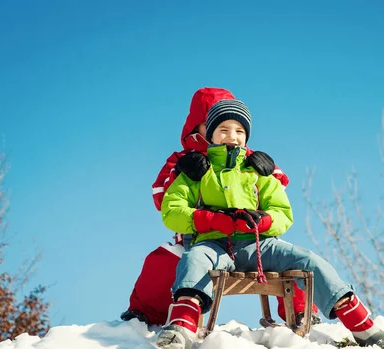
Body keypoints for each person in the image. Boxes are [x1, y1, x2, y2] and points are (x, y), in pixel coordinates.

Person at [157, 98, 384, 349]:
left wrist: (264, 221)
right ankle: (182, 329)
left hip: (258, 245)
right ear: (209, 135)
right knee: (193, 260)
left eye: (239, 131)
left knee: (307, 259)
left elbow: (283, 212)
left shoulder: (256, 170)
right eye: (223, 130)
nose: (231, 137)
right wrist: (212, 220)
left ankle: (361, 326)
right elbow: (172, 212)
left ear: (246, 137)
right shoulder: (197, 171)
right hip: (213, 245)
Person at [121, 87, 319, 327]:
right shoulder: (182, 160)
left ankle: (301, 312)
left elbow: (276, 196)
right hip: (199, 238)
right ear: (198, 127)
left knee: (289, 257)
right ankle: (147, 315)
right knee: (162, 260)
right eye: (212, 124)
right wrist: (180, 172)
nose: (228, 134)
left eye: (235, 127)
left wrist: (270, 170)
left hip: (250, 238)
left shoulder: (247, 158)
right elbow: (162, 198)